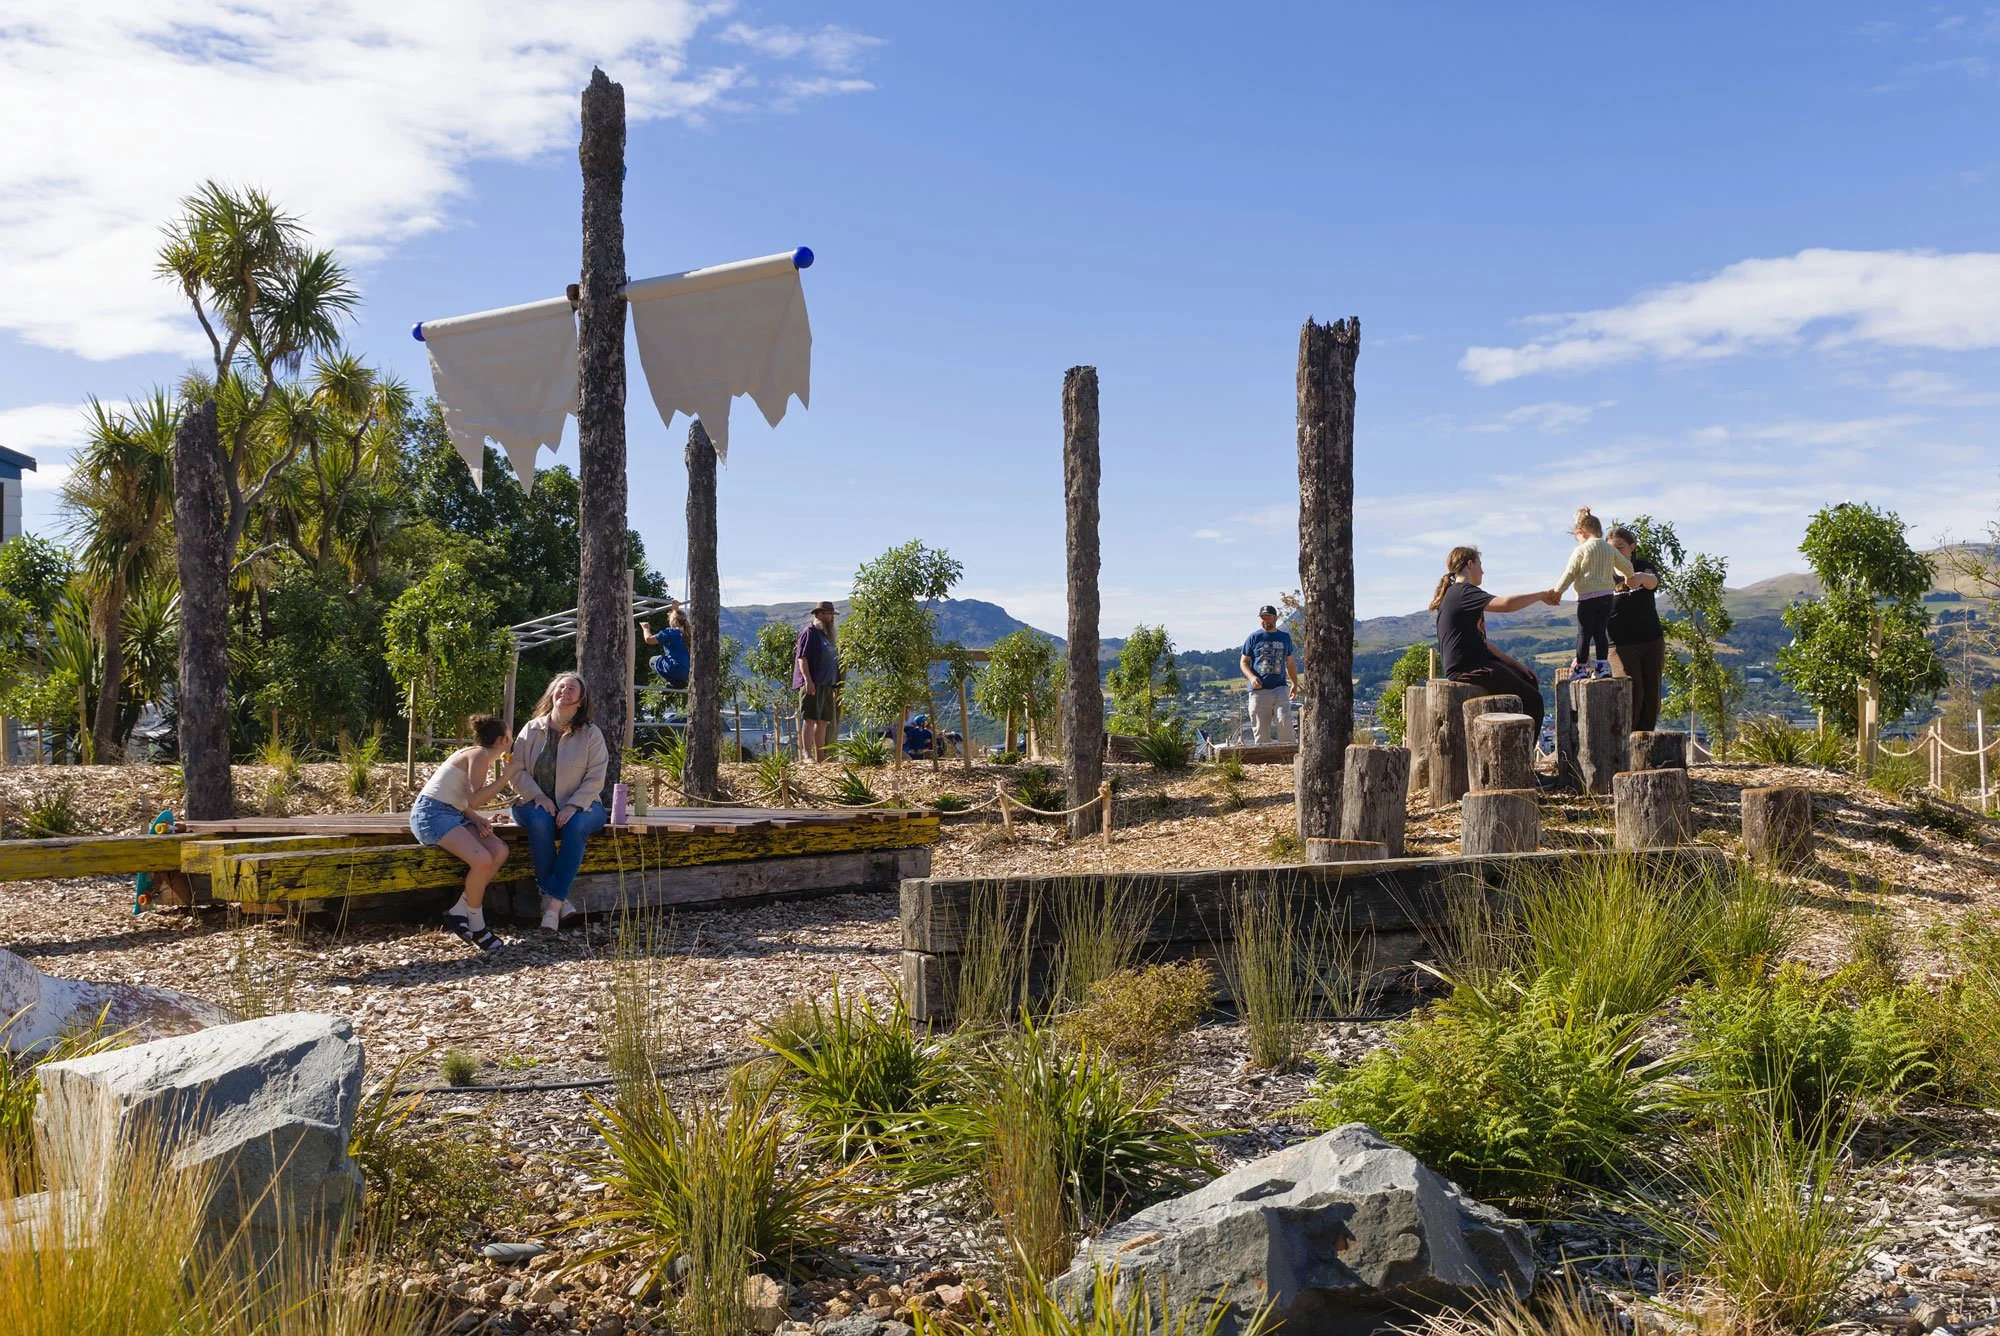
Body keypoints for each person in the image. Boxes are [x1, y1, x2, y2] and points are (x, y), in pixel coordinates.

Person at [509, 672, 610, 933]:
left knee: (575, 826)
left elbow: (596, 777)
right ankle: (561, 902)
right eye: (560, 686)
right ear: (551, 693)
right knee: (541, 822)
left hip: (583, 806)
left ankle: (551, 907)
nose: (564, 691)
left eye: (572, 688)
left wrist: (573, 805)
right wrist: (539, 796)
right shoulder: (531, 729)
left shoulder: (591, 734)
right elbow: (515, 770)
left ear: (581, 700)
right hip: (533, 802)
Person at [410, 714, 519, 954]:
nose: (512, 742)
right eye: (510, 737)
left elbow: (464, 802)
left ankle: (460, 910)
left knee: (499, 850)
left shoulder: (476, 755)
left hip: (454, 814)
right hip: (431, 816)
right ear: (501, 740)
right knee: (482, 860)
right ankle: (478, 925)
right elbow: (476, 798)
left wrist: (477, 819)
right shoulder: (478, 755)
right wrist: (507, 775)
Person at [1430, 546, 1556, 746]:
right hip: (1467, 668)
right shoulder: (1465, 592)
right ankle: (1525, 766)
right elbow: (1506, 604)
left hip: (1476, 662)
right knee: (1534, 701)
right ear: (1470, 565)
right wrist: (1541, 595)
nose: (1483, 571)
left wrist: (1517, 665)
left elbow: (1484, 642)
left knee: (1528, 680)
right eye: (1480, 565)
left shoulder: (1459, 594)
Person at [1553, 506, 1635, 681]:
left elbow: (1570, 573)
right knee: (1600, 632)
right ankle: (1602, 667)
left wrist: (1557, 592)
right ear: (1599, 530)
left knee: (1584, 633)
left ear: (1580, 532)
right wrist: (1629, 577)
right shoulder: (1609, 549)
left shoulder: (1581, 550)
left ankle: (1581, 668)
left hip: (1587, 598)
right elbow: (1626, 566)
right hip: (1606, 597)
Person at [1606, 524, 1666, 731]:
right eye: (1611, 549)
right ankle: (1625, 742)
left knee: (1651, 696)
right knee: (1631, 693)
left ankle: (1645, 741)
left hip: (1651, 641)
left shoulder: (1643, 566)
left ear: (1632, 547)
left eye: (1620, 548)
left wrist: (1639, 577)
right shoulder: (1602, 575)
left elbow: (1653, 582)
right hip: (1620, 646)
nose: (1616, 553)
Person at [793, 601, 841, 761]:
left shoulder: (826, 634)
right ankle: (807, 755)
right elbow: (802, 658)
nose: (832, 618)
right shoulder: (809, 632)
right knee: (810, 718)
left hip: (827, 683)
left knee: (823, 721)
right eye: (829, 614)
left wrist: (834, 684)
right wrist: (808, 680)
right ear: (820, 614)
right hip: (813, 682)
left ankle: (821, 757)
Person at [639, 603, 691, 691]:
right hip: (688, 672)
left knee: (653, 660)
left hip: (675, 667)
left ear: (674, 621)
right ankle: (677, 683)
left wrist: (645, 628)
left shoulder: (670, 632)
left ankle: (674, 682)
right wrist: (675, 609)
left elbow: (649, 640)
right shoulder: (688, 634)